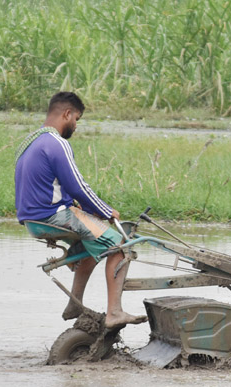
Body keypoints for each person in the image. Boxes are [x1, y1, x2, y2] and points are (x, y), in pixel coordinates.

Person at [15, 91, 146, 328]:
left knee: (91, 243)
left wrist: (85, 209)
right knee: (119, 246)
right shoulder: (57, 143)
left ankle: (75, 303)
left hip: (33, 220)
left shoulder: (30, 142)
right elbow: (78, 186)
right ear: (67, 114)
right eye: (76, 119)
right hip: (53, 216)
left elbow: (48, 185)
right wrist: (105, 210)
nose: (75, 126)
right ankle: (115, 312)